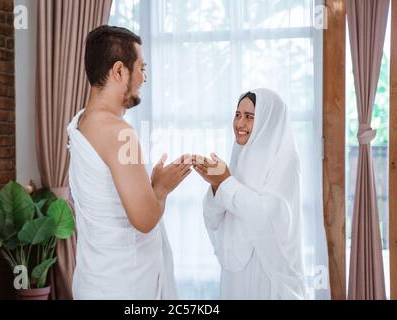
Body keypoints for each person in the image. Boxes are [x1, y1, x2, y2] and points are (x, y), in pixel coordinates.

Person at [68, 25, 192, 299]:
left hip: (93, 281)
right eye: (142, 68)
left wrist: (149, 185)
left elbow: (109, 199)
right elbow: (145, 220)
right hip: (124, 287)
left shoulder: (81, 123)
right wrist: (161, 188)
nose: (144, 78)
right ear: (119, 71)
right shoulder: (119, 132)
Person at [193, 88, 307, 299]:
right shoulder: (240, 153)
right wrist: (216, 185)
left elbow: (271, 215)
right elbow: (217, 214)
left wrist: (225, 182)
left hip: (268, 271)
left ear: (267, 120)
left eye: (249, 117)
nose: (239, 124)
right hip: (237, 271)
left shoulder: (286, 159)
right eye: (237, 115)